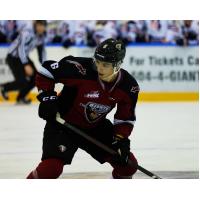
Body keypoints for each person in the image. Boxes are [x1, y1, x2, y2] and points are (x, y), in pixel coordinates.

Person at [27, 38, 140, 179]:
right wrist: (47, 99)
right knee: (50, 170)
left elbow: (125, 117)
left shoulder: (128, 87)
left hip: (95, 128)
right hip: (63, 123)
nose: (99, 68)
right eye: (97, 62)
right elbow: (46, 71)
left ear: (117, 65)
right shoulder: (80, 68)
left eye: (105, 64)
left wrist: (121, 139)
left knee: (128, 166)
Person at [0, 20, 47, 104]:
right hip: (13, 57)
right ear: (35, 24)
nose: (41, 27)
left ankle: (20, 98)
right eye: (39, 25)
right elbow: (20, 48)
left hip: (24, 56)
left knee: (36, 79)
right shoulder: (27, 32)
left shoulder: (42, 36)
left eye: (43, 25)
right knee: (21, 82)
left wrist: (45, 65)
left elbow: (41, 52)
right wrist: (26, 64)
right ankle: (4, 88)